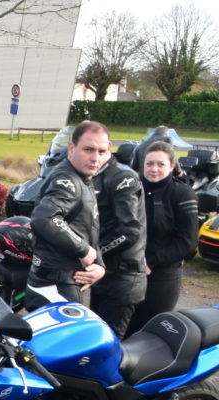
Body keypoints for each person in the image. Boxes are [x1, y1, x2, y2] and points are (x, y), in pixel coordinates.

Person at [26, 120, 109, 309]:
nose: (95, 158)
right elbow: (45, 218)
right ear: (72, 149)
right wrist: (83, 250)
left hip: (63, 282)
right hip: (54, 285)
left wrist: (99, 264)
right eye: (88, 149)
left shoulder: (83, 179)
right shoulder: (67, 179)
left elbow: (85, 229)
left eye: (101, 151)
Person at [126, 142, 199, 335]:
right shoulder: (130, 189)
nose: (154, 169)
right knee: (121, 331)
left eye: (161, 164)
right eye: (149, 164)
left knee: (150, 333)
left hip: (161, 277)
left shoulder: (182, 193)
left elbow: (188, 242)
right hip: (126, 273)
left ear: (172, 166)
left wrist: (151, 261)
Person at [90, 155, 147, 337]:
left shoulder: (123, 177)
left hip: (124, 276)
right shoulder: (98, 175)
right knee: (94, 336)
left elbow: (129, 232)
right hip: (107, 273)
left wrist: (94, 254)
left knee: (108, 341)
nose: (93, 156)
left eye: (99, 150)